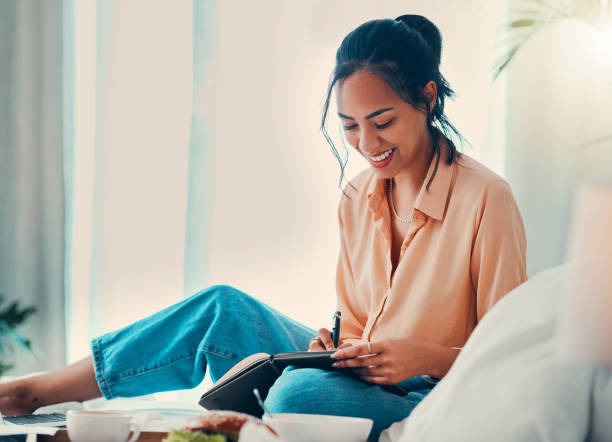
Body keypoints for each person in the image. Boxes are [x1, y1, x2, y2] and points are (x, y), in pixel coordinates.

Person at [0, 15, 526, 441]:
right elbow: (360, 326)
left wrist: (423, 356)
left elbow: (511, 354)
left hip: (434, 390)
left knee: (300, 398)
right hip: (363, 375)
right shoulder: (356, 196)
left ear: (428, 98)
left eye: (382, 121)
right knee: (221, 309)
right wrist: (332, 346)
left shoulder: (486, 198)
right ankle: (33, 393)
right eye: (349, 127)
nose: (367, 144)